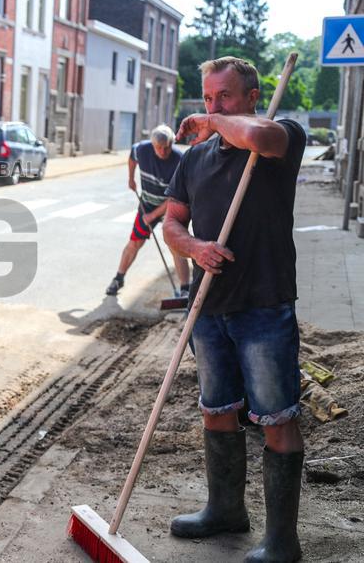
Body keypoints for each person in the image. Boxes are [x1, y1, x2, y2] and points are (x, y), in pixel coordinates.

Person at [163, 56, 306, 563]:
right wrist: (196, 247)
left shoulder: (280, 137)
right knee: (216, 409)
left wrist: (217, 123)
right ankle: (225, 510)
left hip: (263, 305)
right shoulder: (195, 159)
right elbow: (172, 224)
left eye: (224, 97)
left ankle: (282, 542)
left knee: (276, 416)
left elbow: (262, 138)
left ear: (250, 96)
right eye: (206, 98)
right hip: (209, 306)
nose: (212, 107)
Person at [105, 125, 190, 297]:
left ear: (172, 144)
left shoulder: (179, 160)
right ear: (152, 145)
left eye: (167, 147)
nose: (163, 151)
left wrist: (153, 215)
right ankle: (118, 279)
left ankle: (185, 290)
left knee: (176, 246)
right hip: (147, 203)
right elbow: (132, 156)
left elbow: (175, 197)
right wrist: (131, 178)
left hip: (171, 207)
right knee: (135, 242)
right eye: (159, 147)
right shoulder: (142, 150)